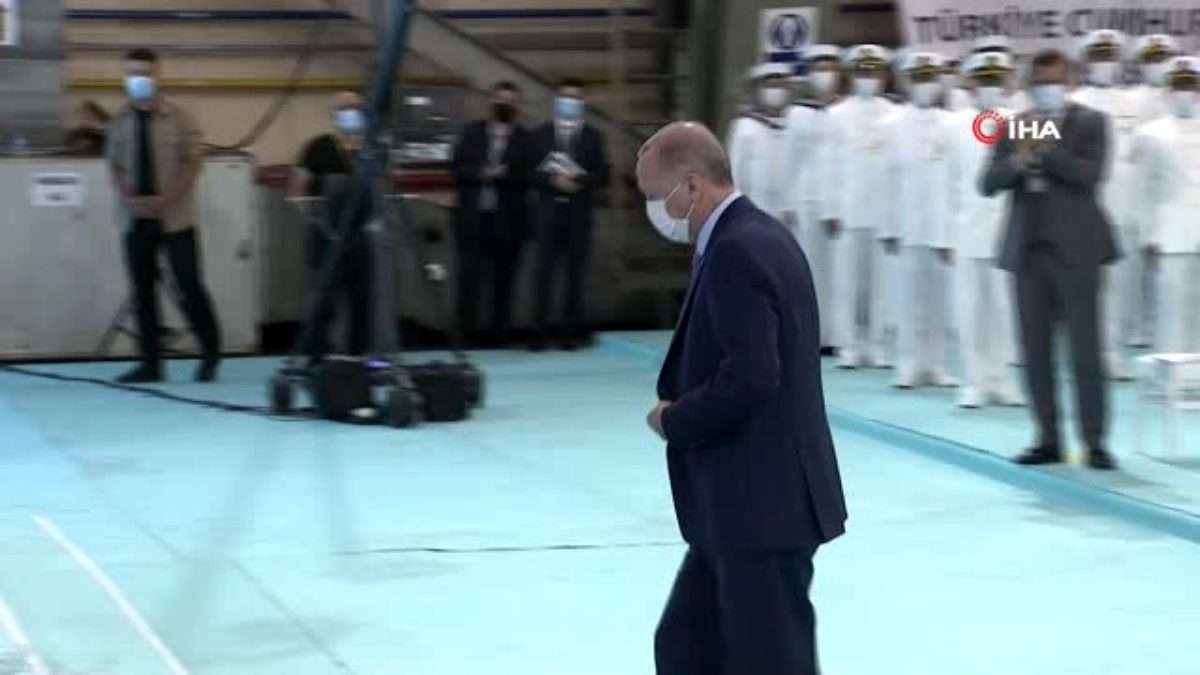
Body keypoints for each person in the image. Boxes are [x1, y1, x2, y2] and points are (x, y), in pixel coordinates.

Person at [639, 121, 846, 675]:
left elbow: (753, 376)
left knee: (767, 658)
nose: (654, 212)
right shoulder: (759, 236)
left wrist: (675, 419)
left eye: (656, 197)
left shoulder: (737, 250)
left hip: (761, 505)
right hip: (736, 507)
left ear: (691, 186)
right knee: (685, 645)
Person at [981, 49, 1119, 470]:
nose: (1048, 89)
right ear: (1029, 85)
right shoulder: (1013, 125)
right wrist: (1019, 161)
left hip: (1078, 252)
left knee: (1085, 352)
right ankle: (1047, 438)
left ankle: (1094, 441)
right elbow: (987, 182)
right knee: (1035, 352)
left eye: (1056, 81)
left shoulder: (1093, 122)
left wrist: (1045, 150)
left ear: (1070, 82)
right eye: (1041, 82)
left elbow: (1089, 175)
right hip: (1028, 252)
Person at [105, 48, 221, 383]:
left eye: (144, 73)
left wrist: (167, 200)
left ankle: (211, 352)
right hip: (135, 219)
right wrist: (129, 198)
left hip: (176, 219)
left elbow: (192, 164)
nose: (138, 79)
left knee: (189, 285)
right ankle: (151, 364)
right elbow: (114, 165)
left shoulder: (180, 118)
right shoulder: (118, 122)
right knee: (142, 291)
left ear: (157, 76)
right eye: (132, 73)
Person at [951, 52, 1024, 408]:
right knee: (969, 310)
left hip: (1008, 231)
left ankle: (1002, 379)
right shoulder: (953, 125)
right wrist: (945, 232)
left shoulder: (1022, 123)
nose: (990, 87)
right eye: (984, 80)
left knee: (1005, 310)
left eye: (996, 80)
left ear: (1007, 82)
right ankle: (972, 381)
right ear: (971, 84)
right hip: (966, 230)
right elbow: (943, 183)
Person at [885, 52, 958, 389]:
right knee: (908, 297)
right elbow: (887, 179)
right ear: (908, 81)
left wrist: (954, 228)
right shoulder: (893, 124)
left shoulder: (952, 123)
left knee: (939, 299)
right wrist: (889, 226)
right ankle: (909, 363)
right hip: (908, 222)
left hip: (942, 225)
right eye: (919, 78)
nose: (925, 84)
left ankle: (936, 364)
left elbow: (957, 180)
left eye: (930, 77)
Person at [1070, 30, 1138, 380]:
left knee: (1121, 289)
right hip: (1084, 209)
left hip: (1124, 208)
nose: (1104, 63)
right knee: (1084, 289)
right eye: (1098, 56)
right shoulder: (1073, 103)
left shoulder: (1134, 105)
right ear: (1086, 61)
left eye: (1109, 56)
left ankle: (1112, 351)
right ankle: (1086, 355)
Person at [825, 44, 898, 369]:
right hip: (849, 209)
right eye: (863, 71)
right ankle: (850, 345)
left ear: (883, 74)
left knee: (880, 283)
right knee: (848, 282)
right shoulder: (836, 115)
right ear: (853, 74)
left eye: (874, 71)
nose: (868, 77)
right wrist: (831, 209)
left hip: (883, 210)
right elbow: (829, 165)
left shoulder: (894, 114)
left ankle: (876, 345)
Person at [290, 90, 373, 364]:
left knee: (361, 298)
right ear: (333, 114)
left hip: (360, 238)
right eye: (344, 108)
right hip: (324, 236)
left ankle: (358, 357)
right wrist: (314, 218)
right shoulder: (317, 147)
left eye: (355, 107)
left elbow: (382, 190)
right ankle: (317, 358)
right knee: (323, 300)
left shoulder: (371, 149)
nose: (350, 112)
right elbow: (297, 191)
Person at [451, 81, 534, 348]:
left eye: (510, 100)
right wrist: (481, 174)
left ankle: (498, 338)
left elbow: (530, 175)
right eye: (500, 99)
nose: (504, 104)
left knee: (504, 282)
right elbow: (457, 168)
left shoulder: (526, 139)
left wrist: (503, 175)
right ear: (490, 101)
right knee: (469, 281)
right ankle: (465, 337)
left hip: (508, 222)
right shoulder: (471, 133)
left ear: (517, 105)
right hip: (473, 220)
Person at [530, 78, 610, 351]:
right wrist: (551, 180)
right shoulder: (541, 133)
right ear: (556, 101)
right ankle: (538, 334)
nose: (570, 102)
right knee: (543, 276)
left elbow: (602, 173)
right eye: (565, 97)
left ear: (584, 102)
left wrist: (579, 182)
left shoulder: (594, 136)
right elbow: (529, 171)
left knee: (575, 277)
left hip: (579, 215)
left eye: (575, 98)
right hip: (547, 215)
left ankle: (569, 335)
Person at [1134, 56, 1200, 354]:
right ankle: (1170, 370)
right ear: (1167, 89)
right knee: (1170, 311)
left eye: (1191, 85)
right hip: (1171, 234)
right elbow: (1143, 189)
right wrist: (1148, 237)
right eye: (1178, 85)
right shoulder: (1150, 133)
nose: (1185, 91)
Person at [786, 44, 842, 355]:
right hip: (806, 198)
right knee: (809, 270)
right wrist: (789, 203)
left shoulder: (842, 111)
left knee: (835, 271)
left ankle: (833, 334)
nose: (825, 74)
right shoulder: (798, 113)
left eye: (830, 67)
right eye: (819, 68)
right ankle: (808, 335)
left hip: (836, 201)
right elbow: (790, 161)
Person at [1128, 34, 1181, 348]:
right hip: (1144, 189)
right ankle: (1142, 324)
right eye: (1151, 59)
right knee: (1141, 264)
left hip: (1178, 193)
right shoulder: (1131, 100)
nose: (1157, 65)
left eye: (1162, 58)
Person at [726, 62, 794, 221]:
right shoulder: (745, 126)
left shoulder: (795, 124)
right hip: (754, 212)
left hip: (788, 216)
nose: (776, 91)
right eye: (770, 86)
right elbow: (735, 173)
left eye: (780, 86)